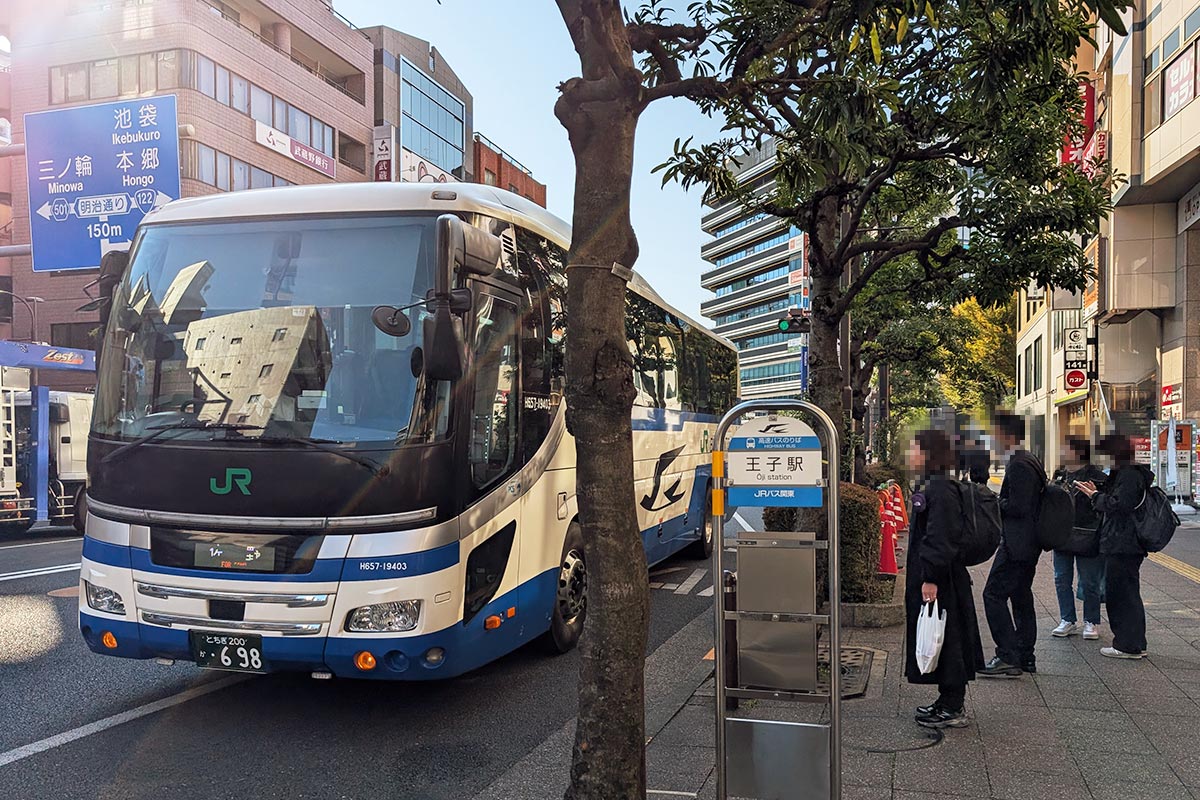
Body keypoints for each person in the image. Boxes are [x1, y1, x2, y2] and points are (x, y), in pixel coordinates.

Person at [905, 428, 986, 729]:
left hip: (944, 578)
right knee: (945, 634)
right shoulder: (937, 483)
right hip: (944, 575)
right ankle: (946, 701)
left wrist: (931, 577)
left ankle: (953, 706)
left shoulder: (940, 487)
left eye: (915, 448)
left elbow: (940, 537)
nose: (911, 453)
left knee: (948, 637)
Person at [979, 412, 1046, 677]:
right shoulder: (1029, 459)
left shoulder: (1019, 464)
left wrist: (997, 502)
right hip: (1029, 543)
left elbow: (1019, 507)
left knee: (993, 595)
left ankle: (1007, 654)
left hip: (1018, 543)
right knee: (1020, 596)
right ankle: (1024, 655)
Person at [1076, 433, 1153, 659]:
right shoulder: (1130, 472)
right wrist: (1099, 491)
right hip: (1126, 542)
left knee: (1121, 593)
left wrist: (1096, 496)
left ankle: (1126, 644)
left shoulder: (1129, 475)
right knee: (1129, 592)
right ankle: (1135, 642)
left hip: (1123, 542)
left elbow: (1120, 505)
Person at [1050, 436, 1107, 641]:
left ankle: (1091, 621)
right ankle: (1067, 619)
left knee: (1090, 581)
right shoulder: (1060, 476)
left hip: (1088, 535)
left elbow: (1103, 506)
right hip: (1062, 535)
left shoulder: (1098, 477)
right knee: (1061, 579)